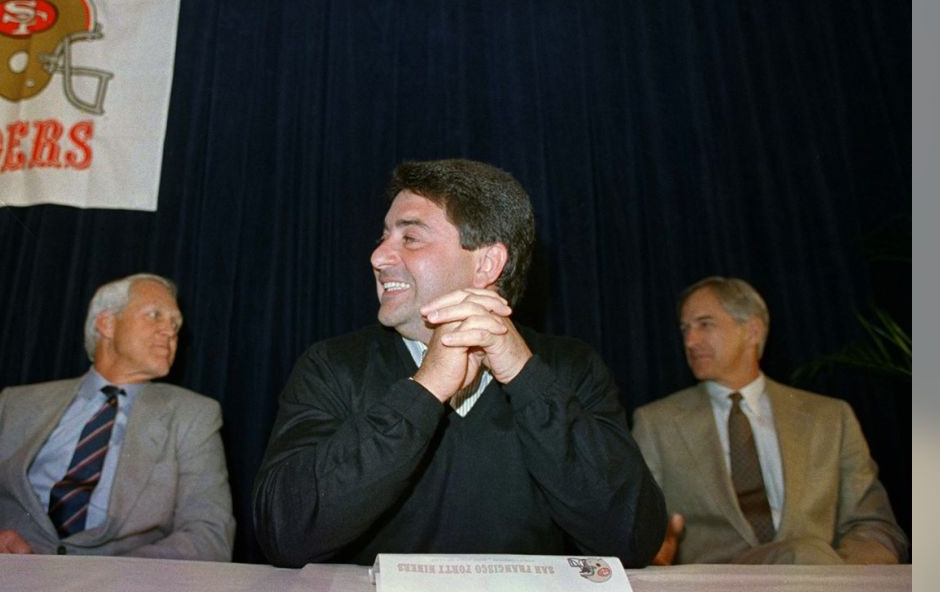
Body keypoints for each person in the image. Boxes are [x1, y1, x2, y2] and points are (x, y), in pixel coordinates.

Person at [252, 159, 667, 568]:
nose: (378, 256)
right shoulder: (333, 366)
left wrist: (526, 378)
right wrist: (424, 390)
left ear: (486, 264)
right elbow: (283, 533)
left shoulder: (571, 367)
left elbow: (631, 538)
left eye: (410, 238)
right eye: (383, 237)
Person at [0, 273, 235, 560]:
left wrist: (111, 580)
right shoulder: (14, 407)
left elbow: (209, 536)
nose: (170, 331)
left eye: (176, 323)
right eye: (155, 315)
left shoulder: (194, 416)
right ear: (106, 323)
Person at [631, 276, 908, 565]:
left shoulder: (830, 418)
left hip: (819, 584)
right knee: (801, 554)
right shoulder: (656, 424)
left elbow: (873, 526)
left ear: (752, 331)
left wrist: (839, 581)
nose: (690, 341)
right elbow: (640, 530)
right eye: (685, 329)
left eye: (705, 324)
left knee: (803, 554)